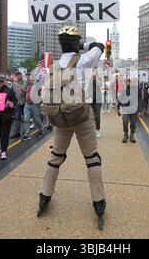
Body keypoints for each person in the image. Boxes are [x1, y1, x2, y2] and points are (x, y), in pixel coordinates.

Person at [38, 26, 107, 229]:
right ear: (77, 43)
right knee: (92, 158)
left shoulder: (55, 65)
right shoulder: (85, 60)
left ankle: (45, 195)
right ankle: (98, 201)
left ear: (60, 44)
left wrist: (72, 44)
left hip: (60, 117)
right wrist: (83, 45)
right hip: (82, 115)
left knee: (56, 157)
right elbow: (99, 45)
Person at [22, 74, 43, 141]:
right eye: (27, 77)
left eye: (30, 78)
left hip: (34, 104)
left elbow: (41, 93)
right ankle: (26, 134)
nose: (28, 79)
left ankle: (41, 130)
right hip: (27, 104)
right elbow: (25, 92)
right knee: (26, 119)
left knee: (36, 119)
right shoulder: (27, 85)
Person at [117, 79, 138, 143]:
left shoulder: (137, 90)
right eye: (128, 82)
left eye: (130, 81)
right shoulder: (124, 89)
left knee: (133, 123)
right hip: (125, 108)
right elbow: (120, 98)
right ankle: (126, 135)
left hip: (134, 109)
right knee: (125, 121)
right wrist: (118, 108)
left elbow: (140, 100)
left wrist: (140, 109)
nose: (129, 83)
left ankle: (132, 135)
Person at [11, 72, 26, 139]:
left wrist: (23, 90)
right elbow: (11, 92)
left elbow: (28, 92)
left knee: (26, 118)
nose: (18, 76)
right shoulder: (14, 84)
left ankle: (26, 132)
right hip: (17, 103)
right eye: (17, 75)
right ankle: (17, 133)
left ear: (22, 75)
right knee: (17, 118)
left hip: (25, 102)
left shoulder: (26, 82)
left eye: (19, 75)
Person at [90, 71, 103, 138]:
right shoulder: (88, 79)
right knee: (90, 116)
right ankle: (91, 130)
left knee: (97, 115)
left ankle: (97, 129)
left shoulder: (99, 78)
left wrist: (97, 77)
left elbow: (100, 85)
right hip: (90, 100)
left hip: (98, 100)